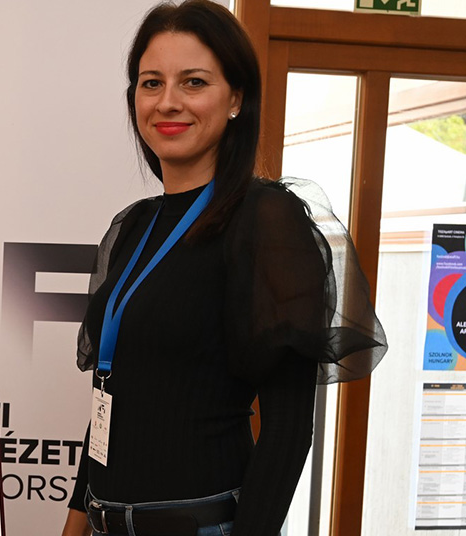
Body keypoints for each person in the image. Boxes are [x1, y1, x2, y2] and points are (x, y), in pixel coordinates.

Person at [61, 1, 386, 535]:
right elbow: (111, 400)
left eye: (193, 82)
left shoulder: (266, 219)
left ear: (236, 98)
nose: (168, 101)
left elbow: (287, 430)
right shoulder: (133, 227)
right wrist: (76, 523)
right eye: (151, 83)